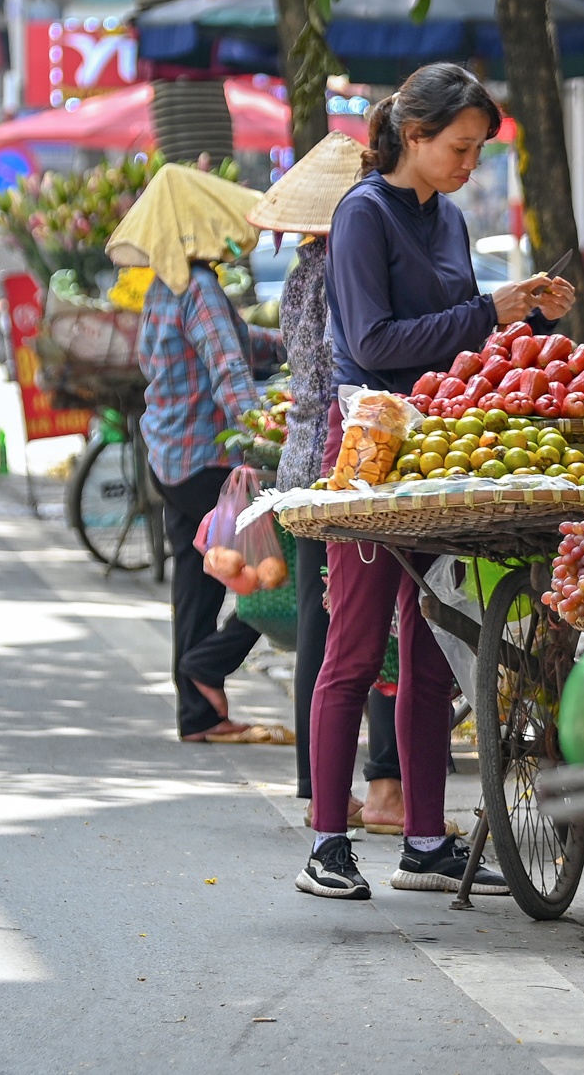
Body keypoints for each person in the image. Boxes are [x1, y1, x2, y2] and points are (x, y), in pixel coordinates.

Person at [298, 63, 575, 900]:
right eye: (459, 147)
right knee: (354, 646)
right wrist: (490, 311)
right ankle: (327, 841)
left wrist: (519, 321)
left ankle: (424, 840)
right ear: (413, 136)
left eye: (477, 150)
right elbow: (374, 343)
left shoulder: (449, 219)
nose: (469, 164)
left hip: (440, 447)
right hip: (372, 448)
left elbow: (455, 340)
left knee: (431, 649)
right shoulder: (362, 214)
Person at [248, 132, 407, 830]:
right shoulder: (344, 264)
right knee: (372, 626)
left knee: (324, 623)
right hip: (344, 458)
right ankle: (379, 785)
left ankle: (320, 784)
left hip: (301, 456)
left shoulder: (300, 270)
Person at [118, 164, 288, 743]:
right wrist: (264, 433)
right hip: (206, 462)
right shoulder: (200, 288)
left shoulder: (167, 286)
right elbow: (230, 372)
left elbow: (238, 343)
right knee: (276, 570)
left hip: (170, 456)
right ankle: (208, 663)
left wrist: (293, 345)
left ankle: (199, 713)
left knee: (198, 579)